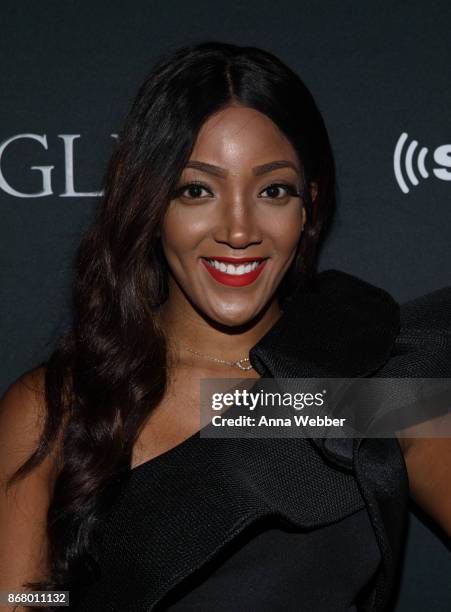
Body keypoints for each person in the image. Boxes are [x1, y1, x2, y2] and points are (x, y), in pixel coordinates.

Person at [0, 41, 450, 612]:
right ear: (152, 203)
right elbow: (21, 599)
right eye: (197, 190)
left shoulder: (366, 383)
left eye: (273, 190)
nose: (238, 230)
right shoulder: (57, 405)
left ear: (308, 206)